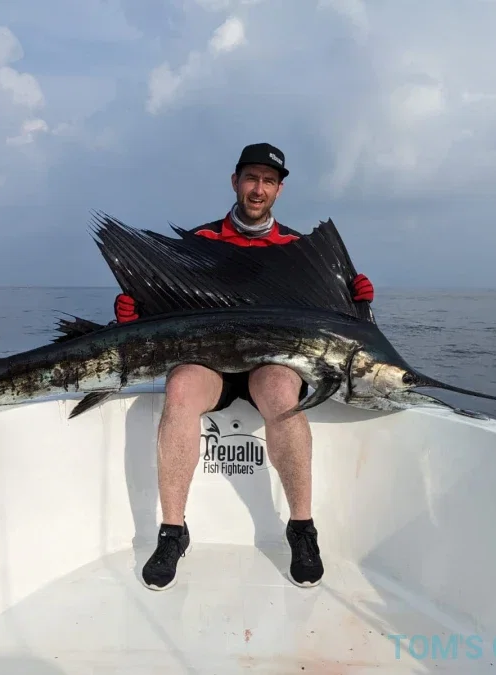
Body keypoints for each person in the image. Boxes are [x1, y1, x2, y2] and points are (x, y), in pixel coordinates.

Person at [113, 142, 375, 591]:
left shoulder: (298, 250)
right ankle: (172, 532)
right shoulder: (199, 244)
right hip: (211, 366)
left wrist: (357, 305)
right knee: (180, 387)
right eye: (251, 178)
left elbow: (334, 329)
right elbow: (164, 313)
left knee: (280, 390)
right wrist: (134, 318)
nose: (258, 189)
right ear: (235, 182)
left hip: (268, 366)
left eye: (269, 181)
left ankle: (301, 528)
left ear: (279, 190)